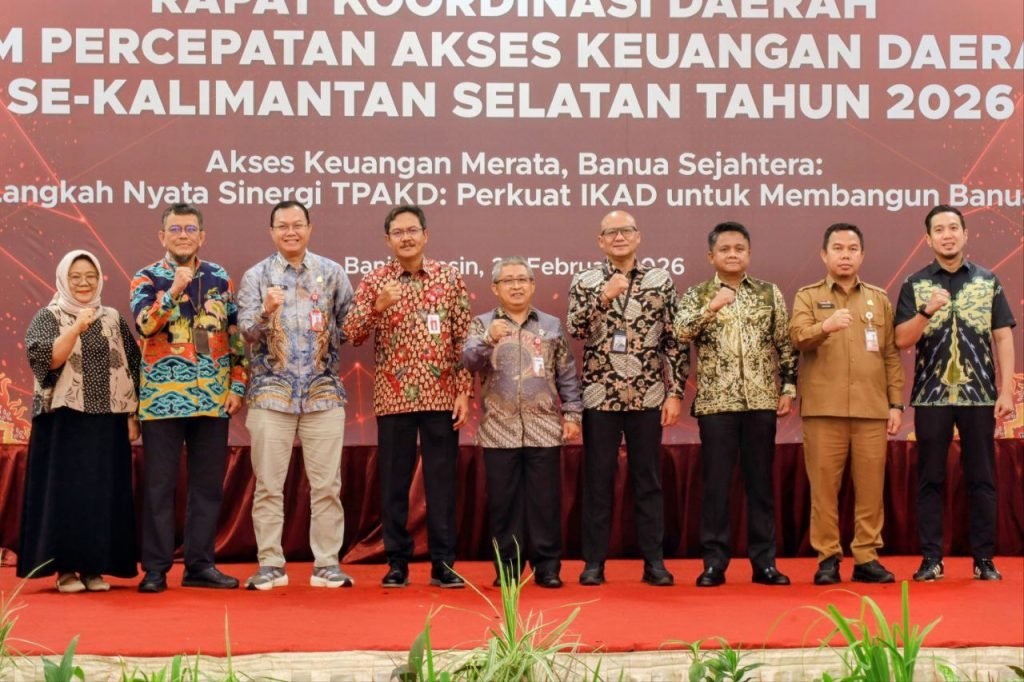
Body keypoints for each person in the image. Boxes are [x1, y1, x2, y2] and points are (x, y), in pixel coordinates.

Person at [343, 205, 472, 588]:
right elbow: (352, 333)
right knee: (394, 484)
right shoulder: (375, 280)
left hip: (441, 398)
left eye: (412, 230)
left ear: (425, 235)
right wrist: (377, 307)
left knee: (441, 485)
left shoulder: (449, 278)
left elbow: (464, 339)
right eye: (398, 233)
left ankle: (443, 564)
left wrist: (463, 391)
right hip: (393, 398)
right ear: (387, 240)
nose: (406, 238)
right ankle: (397, 562)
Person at [130, 203, 248, 593]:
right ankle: (155, 569)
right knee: (159, 487)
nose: (183, 235)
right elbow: (145, 326)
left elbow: (234, 334)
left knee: (207, 487)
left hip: (212, 396)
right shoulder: (146, 277)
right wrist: (174, 291)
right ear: (162, 236)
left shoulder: (219, 277)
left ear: (202, 236)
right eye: (175, 229)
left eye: (190, 229)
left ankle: (200, 565)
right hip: (162, 399)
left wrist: (238, 384)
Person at [237, 201, 355, 590]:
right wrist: (266, 311)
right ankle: (270, 563)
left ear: (309, 228)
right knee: (269, 486)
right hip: (271, 395)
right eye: (283, 226)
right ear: (271, 231)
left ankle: (327, 564)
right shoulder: (256, 276)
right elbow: (245, 333)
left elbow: (349, 327)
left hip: (323, 394)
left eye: (298, 224)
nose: (291, 231)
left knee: (327, 486)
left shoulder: (332, 273)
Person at [566, 209, 688, 587]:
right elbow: (575, 328)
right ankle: (594, 564)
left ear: (638, 237)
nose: (619, 237)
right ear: (600, 241)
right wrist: (604, 298)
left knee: (647, 482)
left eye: (626, 231)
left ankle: (654, 563)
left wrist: (675, 392)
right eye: (611, 232)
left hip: (647, 395)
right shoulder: (586, 280)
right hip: (600, 395)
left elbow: (674, 340)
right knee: (598, 481)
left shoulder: (660, 280)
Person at [894, 205, 1016, 582]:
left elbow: (1002, 337)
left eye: (953, 228)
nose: (947, 235)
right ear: (928, 239)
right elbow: (901, 339)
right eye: (939, 230)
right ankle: (932, 559)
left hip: (979, 396)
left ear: (965, 234)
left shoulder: (988, 280)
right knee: (930, 479)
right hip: (931, 397)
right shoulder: (915, 283)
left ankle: (984, 559)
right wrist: (926, 312)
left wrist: (1006, 391)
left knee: (982, 478)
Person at [674, 222, 796, 588]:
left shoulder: (768, 292)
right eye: (724, 249)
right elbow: (680, 333)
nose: (732, 254)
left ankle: (765, 564)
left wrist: (788, 386)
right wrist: (711, 307)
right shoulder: (697, 294)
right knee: (716, 487)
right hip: (716, 405)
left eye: (739, 248)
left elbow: (784, 343)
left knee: (760, 485)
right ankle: (714, 564)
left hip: (760, 401)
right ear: (711, 256)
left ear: (749, 254)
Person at [18, 250, 140, 592]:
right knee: (66, 495)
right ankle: (65, 571)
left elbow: (132, 365)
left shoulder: (113, 317)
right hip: (62, 422)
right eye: (76, 277)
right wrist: (76, 327)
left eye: (90, 276)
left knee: (102, 494)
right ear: (63, 279)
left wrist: (133, 415)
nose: (84, 283)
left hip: (107, 422)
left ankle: (94, 568)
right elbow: (47, 362)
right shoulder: (48, 315)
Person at [790, 223, 905, 585]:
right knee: (824, 490)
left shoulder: (878, 298)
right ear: (824, 255)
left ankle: (867, 557)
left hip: (872, 409)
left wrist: (896, 404)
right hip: (823, 410)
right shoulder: (808, 296)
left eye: (852, 249)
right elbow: (797, 338)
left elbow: (890, 354)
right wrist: (825, 326)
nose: (845, 255)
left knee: (871, 489)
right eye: (837, 248)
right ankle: (827, 558)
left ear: (862, 255)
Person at [463, 257, 583, 588]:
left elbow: (566, 373)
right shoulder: (482, 324)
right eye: (508, 281)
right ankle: (508, 570)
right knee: (504, 505)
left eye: (522, 279)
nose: (516, 286)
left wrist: (572, 415)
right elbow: (468, 361)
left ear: (532, 285)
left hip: (544, 427)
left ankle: (548, 568)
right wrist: (488, 338)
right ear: (495, 288)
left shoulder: (551, 325)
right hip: (499, 430)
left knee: (545, 503)